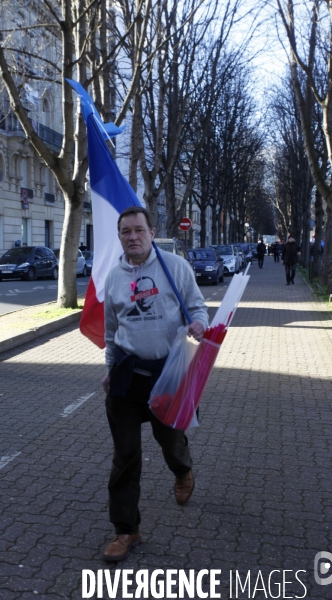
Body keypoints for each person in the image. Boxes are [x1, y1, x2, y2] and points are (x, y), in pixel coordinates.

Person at [102, 206, 208, 562]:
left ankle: (183, 470)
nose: (132, 237)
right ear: (119, 236)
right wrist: (110, 368)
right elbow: (112, 333)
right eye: (125, 232)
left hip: (168, 375)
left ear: (151, 231)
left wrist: (199, 324)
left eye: (138, 230)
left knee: (169, 439)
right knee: (125, 457)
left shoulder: (174, 267)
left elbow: (198, 308)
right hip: (127, 376)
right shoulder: (113, 278)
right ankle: (125, 530)